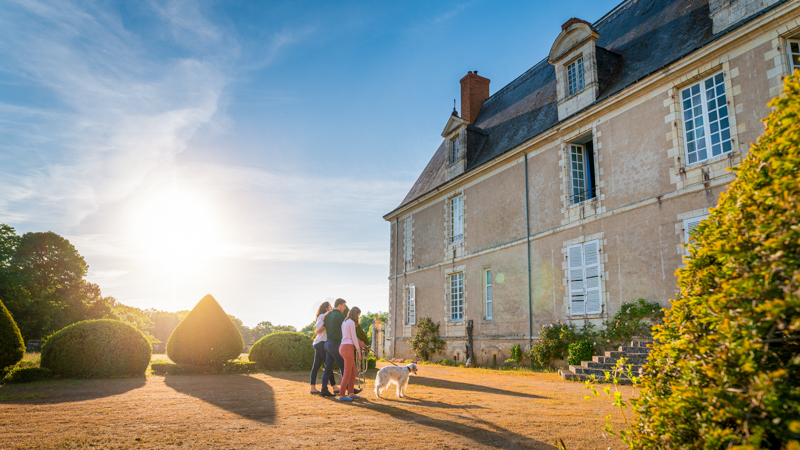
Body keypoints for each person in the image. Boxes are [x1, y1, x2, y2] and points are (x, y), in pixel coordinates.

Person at [320, 298, 348, 398]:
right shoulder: (340, 316)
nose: (345, 308)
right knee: (343, 366)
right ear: (339, 305)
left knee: (328, 368)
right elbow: (346, 329)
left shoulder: (329, 314)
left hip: (327, 344)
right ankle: (349, 389)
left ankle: (324, 389)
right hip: (335, 344)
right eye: (344, 306)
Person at [309, 302, 339, 395]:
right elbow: (318, 327)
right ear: (326, 308)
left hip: (320, 343)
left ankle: (313, 388)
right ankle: (333, 387)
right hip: (320, 344)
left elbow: (320, 329)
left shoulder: (328, 316)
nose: (332, 307)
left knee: (316, 366)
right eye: (330, 306)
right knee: (328, 365)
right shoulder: (323, 315)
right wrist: (323, 325)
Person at [338, 306, 367, 401]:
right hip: (347, 348)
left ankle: (351, 393)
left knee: (354, 371)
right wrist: (359, 352)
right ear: (356, 314)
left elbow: (350, 337)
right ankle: (342, 394)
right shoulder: (351, 322)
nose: (358, 317)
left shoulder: (345, 322)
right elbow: (354, 338)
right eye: (358, 315)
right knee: (347, 372)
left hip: (342, 347)